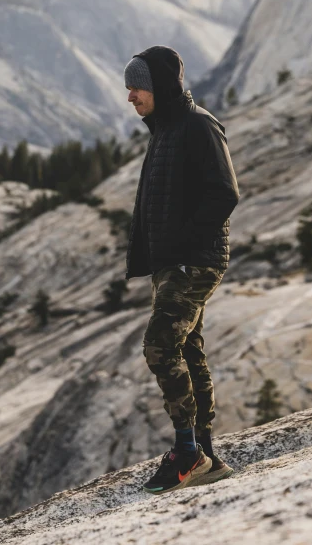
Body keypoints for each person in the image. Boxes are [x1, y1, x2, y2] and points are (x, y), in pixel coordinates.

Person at [124, 45, 240, 495]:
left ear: (160, 87)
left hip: (194, 260)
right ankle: (206, 452)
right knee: (188, 348)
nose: (131, 96)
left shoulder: (198, 125)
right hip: (174, 262)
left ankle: (188, 452)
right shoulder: (166, 130)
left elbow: (224, 193)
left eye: (137, 87)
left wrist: (186, 245)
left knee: (159, 345)